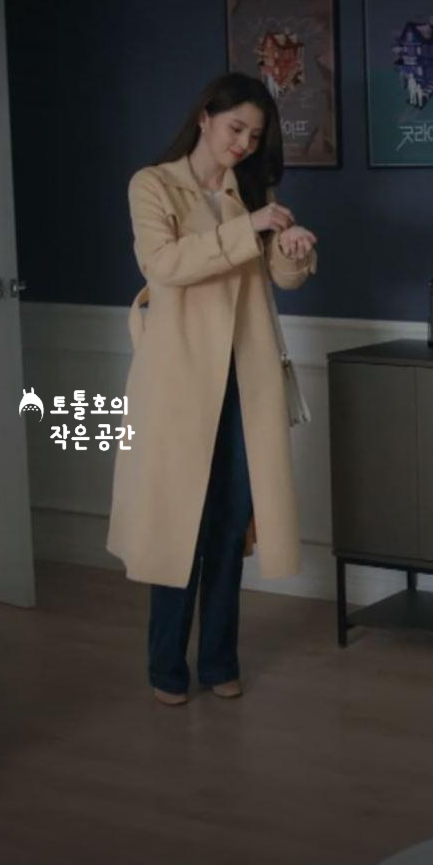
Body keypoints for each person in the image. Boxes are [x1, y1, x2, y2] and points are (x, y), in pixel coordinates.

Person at [105, 72, 319, 707]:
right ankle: (166, 667)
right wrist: (249, 226)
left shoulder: (251, 190)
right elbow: (164, 264)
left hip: (244, 380)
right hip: (177, 385)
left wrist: (294, 250)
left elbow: (281, 277)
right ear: (205, 116)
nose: (244, 143)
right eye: (236, 128)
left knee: (230, 526)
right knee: (181, 527)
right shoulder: (153, 184)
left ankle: (221, 660)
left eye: (254, 135)